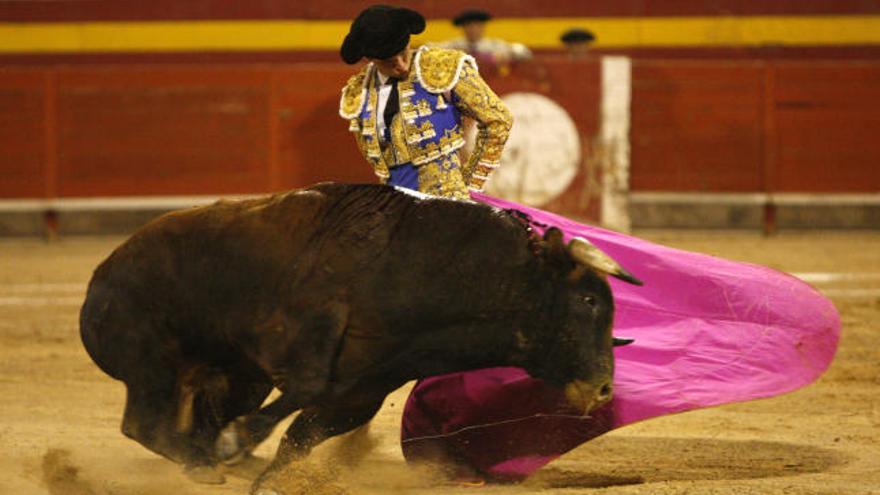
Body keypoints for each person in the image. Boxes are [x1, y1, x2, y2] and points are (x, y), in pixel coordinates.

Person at [339, 5, 513, 200]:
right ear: (369, 59)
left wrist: (470, 184)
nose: (402, 65)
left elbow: (498, 119)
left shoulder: (442, 67)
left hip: (446, 200)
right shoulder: (360, 91)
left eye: (403, 53)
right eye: (390, 61)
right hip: (394, 203)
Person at [442, 9, 532, 69]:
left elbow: (524, 53)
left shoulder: (495, 45)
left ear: (483, 27)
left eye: (477, 25)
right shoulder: (453, 46)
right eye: (469, 25)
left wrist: (508, 55)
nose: (473, 29)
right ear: (463, 27)